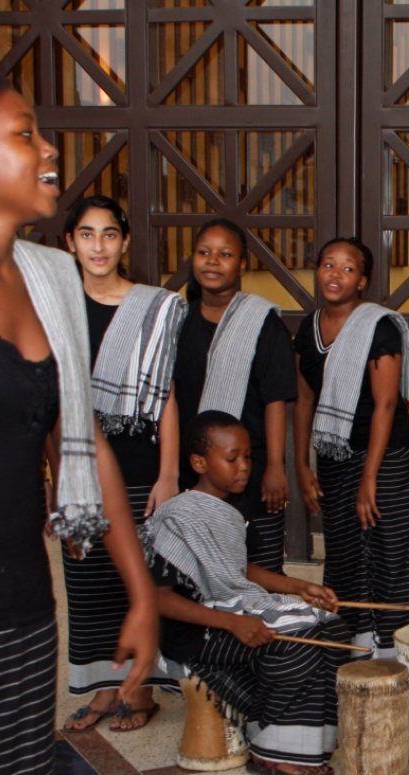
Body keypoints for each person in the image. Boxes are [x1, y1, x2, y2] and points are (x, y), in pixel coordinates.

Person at [0, 75, 159, 775]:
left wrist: (140, 592)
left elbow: (80, 433)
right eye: (26, 133)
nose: (48, 149)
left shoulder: (48, 278)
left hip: (24, 608)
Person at [148, 411, 348, 775]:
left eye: (247, 457)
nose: (243, 467)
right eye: (232, 458)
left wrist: (299, 587)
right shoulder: (177, 516)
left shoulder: (231, 509)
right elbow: (158, 598)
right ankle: (273, 751)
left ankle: (314, 739)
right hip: (193, 631)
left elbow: (236, 572)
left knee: (333, 631)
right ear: (199, 463)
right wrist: (233, 623)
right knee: (295, 644)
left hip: (228, 609)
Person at [59, 195, 185, 733]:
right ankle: (103, 689)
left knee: (138, 581)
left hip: (139, 465)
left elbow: (167, 398)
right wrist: (55, 479)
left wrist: (169, 474)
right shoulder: (57, 305)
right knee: (88, 584)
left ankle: (141, 688)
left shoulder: (153, 308)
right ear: (70, 243)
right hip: (80, 465)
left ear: (125, 241)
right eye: (86, 235)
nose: (98, 246)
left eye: (109, 234)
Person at [293, 238, 409, 659]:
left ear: (362, 280)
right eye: (328, 265)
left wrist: (369, 479)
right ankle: (353, 639)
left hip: (383, 454)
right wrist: (301, 465)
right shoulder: (307, 328)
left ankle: (393, 646)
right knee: (345, 548)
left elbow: (386, 404)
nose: (335, 274)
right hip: (334, 453)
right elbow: (304, 400)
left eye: (347, 268)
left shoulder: (378, 326)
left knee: (388, 546)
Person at [172, 218, 297, 573]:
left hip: (251, 470)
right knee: (203, 571)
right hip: (194, 469)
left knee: (261, 569)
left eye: (224, 254)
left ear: (242, 265)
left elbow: (276, 399)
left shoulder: (261, 322)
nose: (212, 261)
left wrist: (275, 466)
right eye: (204, 252)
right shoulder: (178, 322)